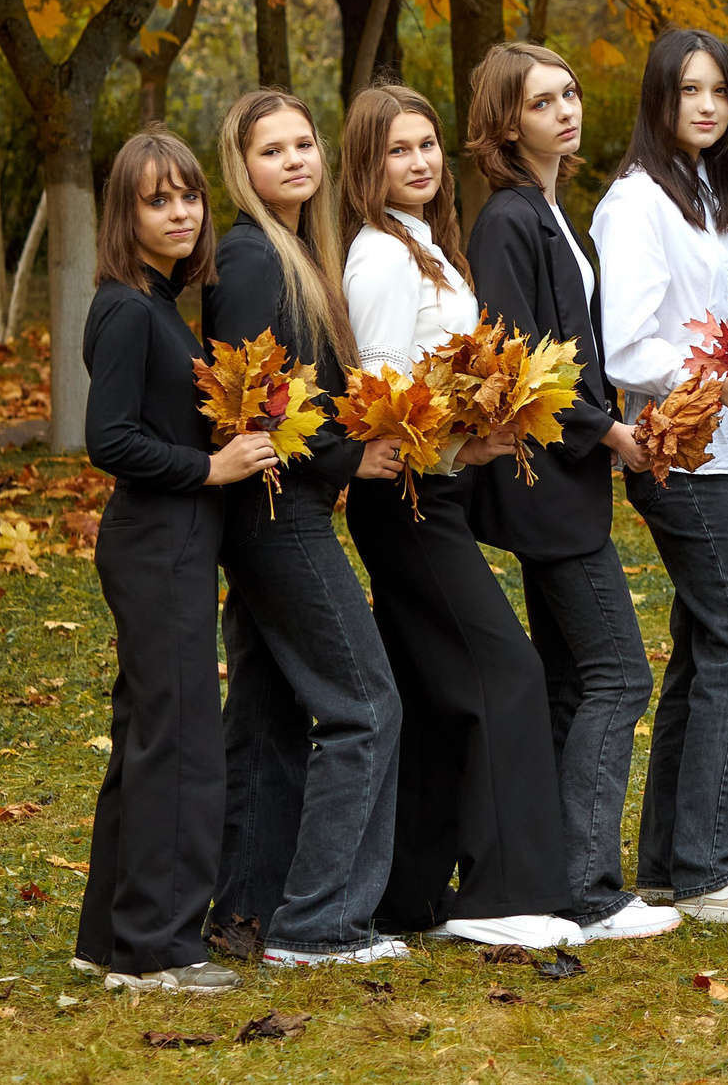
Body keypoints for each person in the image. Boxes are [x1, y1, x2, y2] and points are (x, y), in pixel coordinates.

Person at [339, 82, 579, 951]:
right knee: (505, 673)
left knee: (434, 697)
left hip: (433, 490)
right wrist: (458, 448)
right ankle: (506, 896)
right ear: (366, 166)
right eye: (397, 150)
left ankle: (407, 894)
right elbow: (380, 394)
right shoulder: (378, 256)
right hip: (404, 501)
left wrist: (480, 427)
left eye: (427, 145)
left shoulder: (427, 245)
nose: (419, 162)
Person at [593, 28, 728, 924]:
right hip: (680, 453)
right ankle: (713, 870)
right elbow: (626, 344)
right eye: (689, 90)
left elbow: (720, 305)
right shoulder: (637, 202)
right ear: (659, 98)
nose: (708, 106)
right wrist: (716, 386)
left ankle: (668, 859)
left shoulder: (703, 193)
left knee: (702, 650)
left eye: (720, 90)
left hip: (726, 455)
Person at [464, 42, 673, 942]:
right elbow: (519, 358)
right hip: (543, 484)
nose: (566, 111)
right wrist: (607, 430)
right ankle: (588, 888)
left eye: (571, 94)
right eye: (543, 102)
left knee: (569, 682)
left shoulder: (553, 211)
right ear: (506, 123)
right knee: (619, 675)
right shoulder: (509, 219)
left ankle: (550, 876)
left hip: (569, 477)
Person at [205, 91, 408, 968]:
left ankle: (245, 913)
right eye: (271, 150)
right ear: (241, 167)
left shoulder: (296, 255)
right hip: (277, 514)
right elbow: (257, 399)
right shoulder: (252, 258)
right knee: (366, 706)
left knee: (266, 714)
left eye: (302, 144)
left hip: (278, 513)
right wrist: (348, 457)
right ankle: (319, 924)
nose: (294, 160)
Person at [75, 129, 271, 994]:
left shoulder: (157, 302)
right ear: (126, 212)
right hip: (156, 542)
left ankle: (109, 940)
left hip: (169, 542)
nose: (181, 212)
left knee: (149, 738)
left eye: (189, 195)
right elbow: (108, 439)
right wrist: (209, 468)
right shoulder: (127, 307)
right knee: (181, 743)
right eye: (158, 200)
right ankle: (156, 950)